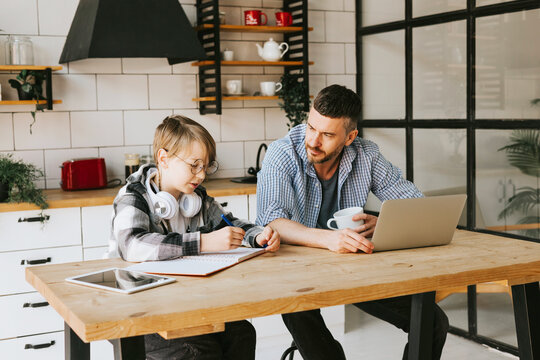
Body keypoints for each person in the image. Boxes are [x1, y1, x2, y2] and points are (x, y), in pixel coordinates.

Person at [256, 85, 449, 360]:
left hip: (354, 269)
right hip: (297, 273)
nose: (313, 141)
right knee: (319, 344)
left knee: (433, 323)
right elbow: (272, 221)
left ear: (350, 137)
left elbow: (415, 204)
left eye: (327, 135)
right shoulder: (282, 154)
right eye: (311, 127)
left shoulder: (366, 155)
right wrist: (331, 239)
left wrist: (382, 221)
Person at [109, 115, 280, 360]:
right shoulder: (133, 195)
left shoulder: (194, 198)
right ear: (163, 159)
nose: (201, 175)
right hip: (136, 312)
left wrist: (257, 236)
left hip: (179, 304)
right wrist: (204, 242)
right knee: (200, 352)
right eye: (194, 165)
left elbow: (230, 223)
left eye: (206, 166)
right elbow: (132, 245)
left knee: (242, 332)